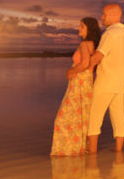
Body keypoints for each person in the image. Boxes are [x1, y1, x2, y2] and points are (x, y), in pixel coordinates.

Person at [50, 17, 101, 156]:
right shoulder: (93, 44)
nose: (79, 29)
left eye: (82, 26)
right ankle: (78, 149)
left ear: (89, 29)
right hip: (86, 83)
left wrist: (71, 71)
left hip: (80, 83)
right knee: (80, 116)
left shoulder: (85, 44)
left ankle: (67, 150)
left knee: (63, 118)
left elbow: (85, 63)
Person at [87, 3, 124, 153]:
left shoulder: (110, 34)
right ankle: (118, 152)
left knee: (94, 118)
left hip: (106, 81)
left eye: (104, 14)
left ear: (113, 15)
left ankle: (92, 153)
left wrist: (80, 69)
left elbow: (98, 57)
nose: (102, 17)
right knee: (118, 116)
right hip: (120, 82)